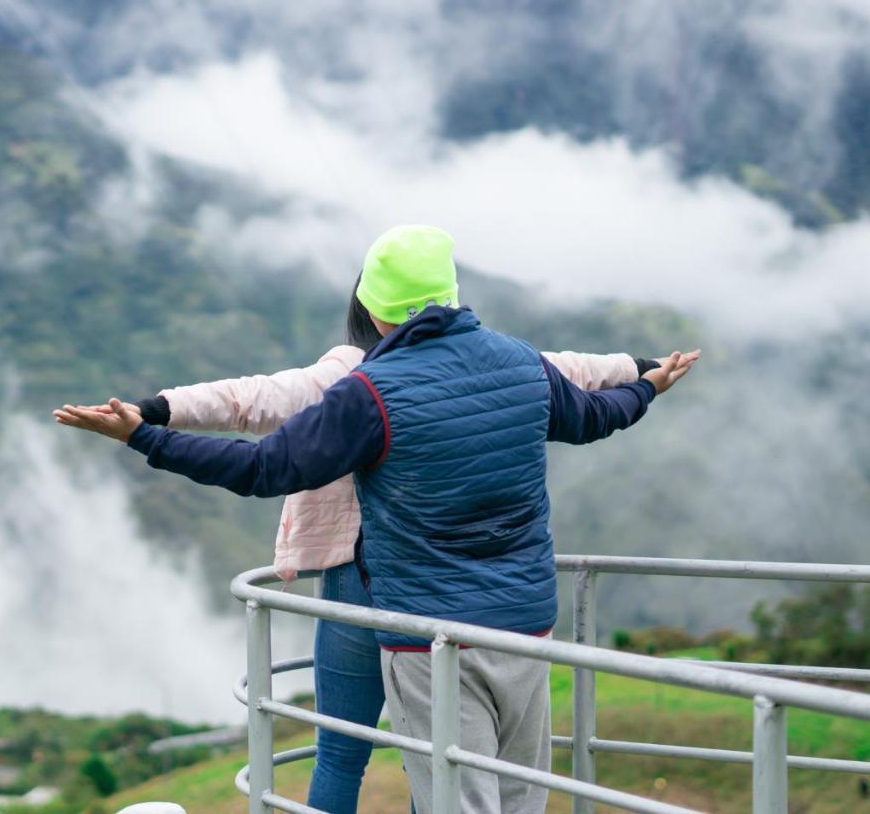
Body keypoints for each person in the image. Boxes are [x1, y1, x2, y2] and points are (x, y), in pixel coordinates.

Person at [57, 225, 698, 811]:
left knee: (448, 792)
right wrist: (644, 386)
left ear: (369, 306)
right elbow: (592, 416)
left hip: (426, 630)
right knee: (519, 793)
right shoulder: (520, 362)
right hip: (526, 623)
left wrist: (146, 436)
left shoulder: (369, 393)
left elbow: (261, 468)